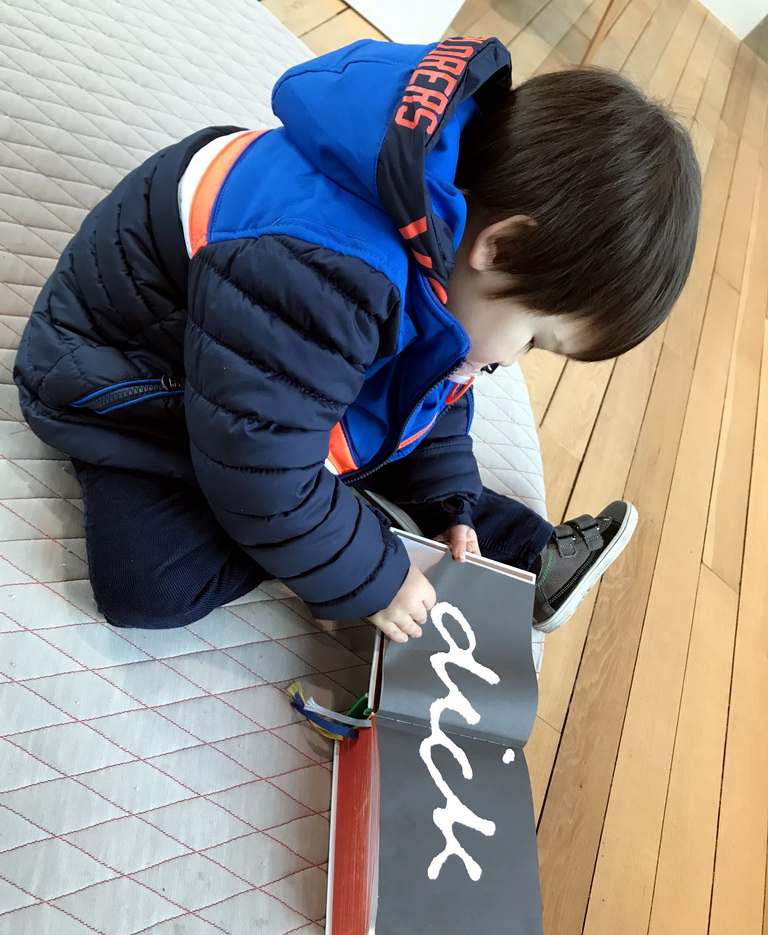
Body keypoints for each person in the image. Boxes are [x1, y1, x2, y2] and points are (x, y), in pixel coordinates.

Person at [13, 37, 701, 644]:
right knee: (150, 586)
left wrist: (449, 501)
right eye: (536, 339)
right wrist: (367, 573)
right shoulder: (323, 270)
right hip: (130, 380)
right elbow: (258, 465)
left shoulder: (441, 218)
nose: (513, 360)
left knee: (404, 443)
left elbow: (436, 378)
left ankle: (508, 546)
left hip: (252, 359)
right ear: (503, 245)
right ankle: (359, 508)